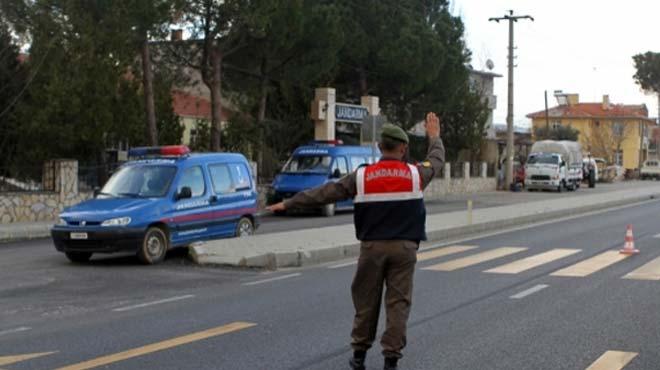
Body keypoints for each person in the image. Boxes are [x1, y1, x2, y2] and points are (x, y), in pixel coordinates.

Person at [267, 113, 444, 370]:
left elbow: (326, 192)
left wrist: (289, 203)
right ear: (403, 148)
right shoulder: (416, 174)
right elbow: (437, 161)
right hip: (404, 249)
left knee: (366, 300)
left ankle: (359, 354)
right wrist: (434, 137)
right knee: (398, 304)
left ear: (380, 147)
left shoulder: (361, 177)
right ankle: (390, 360)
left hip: (372, 249)